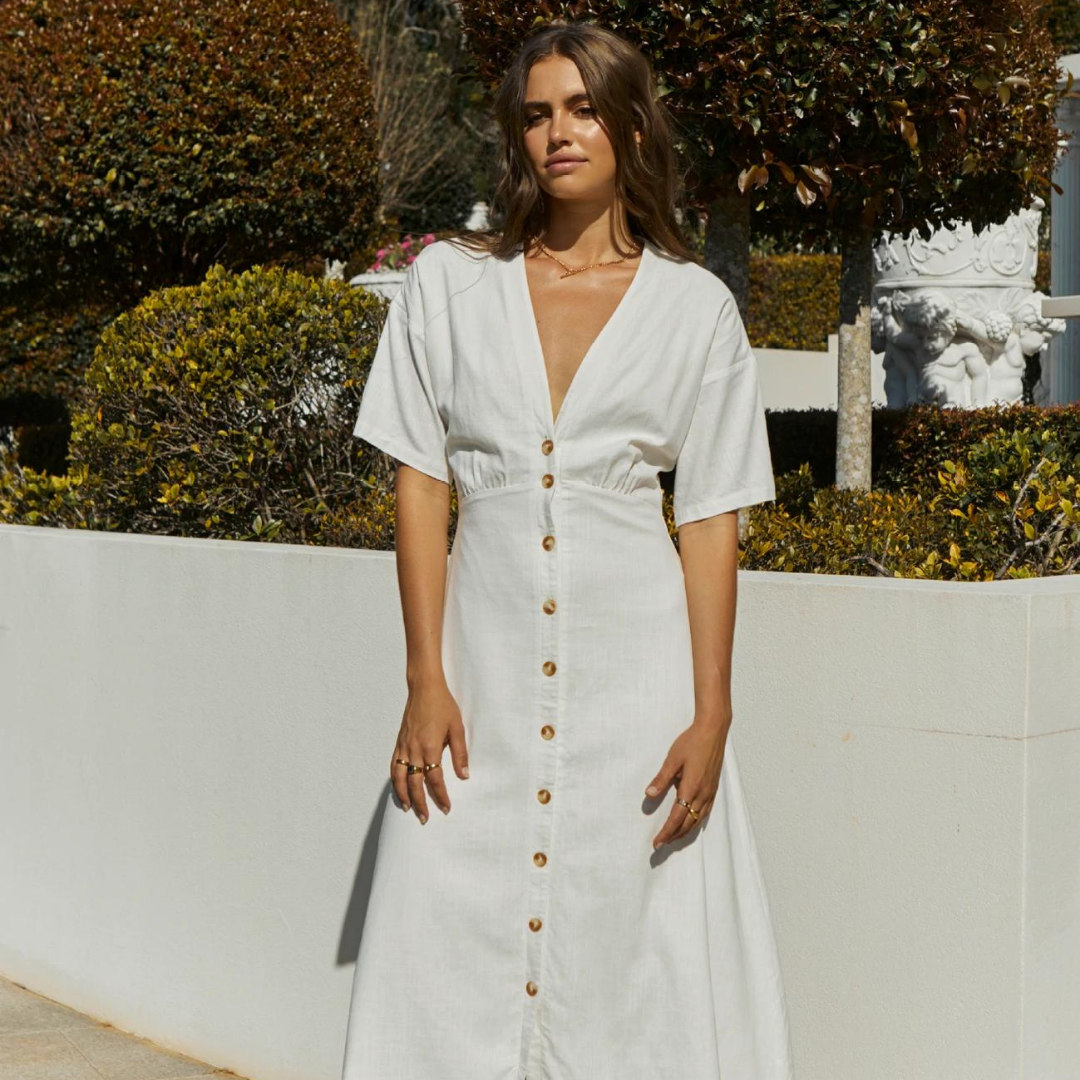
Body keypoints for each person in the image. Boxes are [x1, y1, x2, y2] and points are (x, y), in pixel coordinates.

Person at [341, 19, 795, 1080]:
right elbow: (420, 480)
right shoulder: (449, 286)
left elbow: (711, 518)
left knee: (638, 948)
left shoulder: (696, 311)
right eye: (538, 113)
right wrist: (424, 677)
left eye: (584, 108)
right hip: (479, 686)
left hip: (633, 691)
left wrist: (713, 709)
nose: (559, 133)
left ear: (632, 127)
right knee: (447, 934)